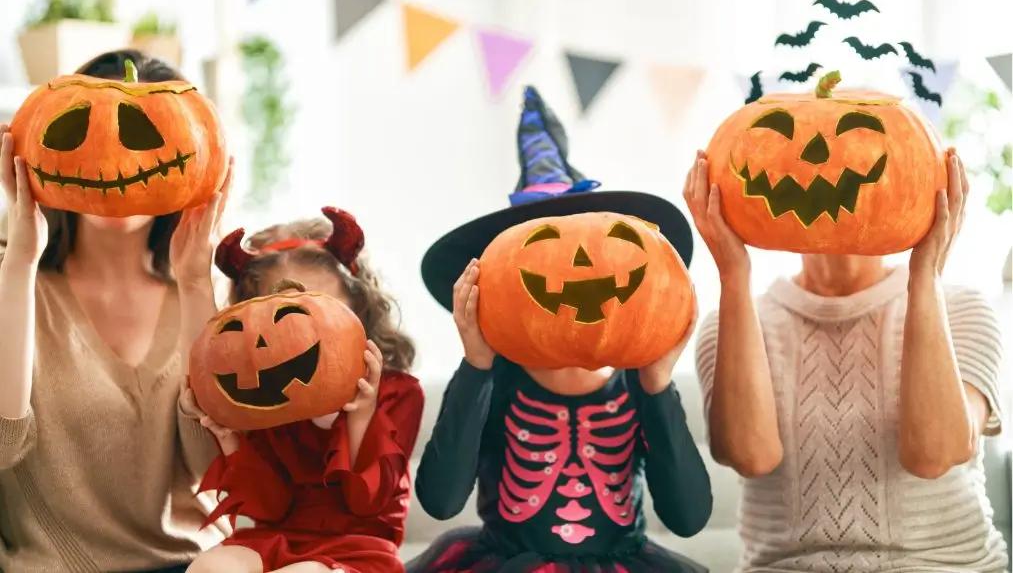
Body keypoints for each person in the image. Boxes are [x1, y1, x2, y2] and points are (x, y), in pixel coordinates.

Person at [407, 87, 712, 573]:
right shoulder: (495, 380)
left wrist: (657, 385)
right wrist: (477, 365)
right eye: (541, 245)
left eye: (607, 244)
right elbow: (441, 500)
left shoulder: (638, 383)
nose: (577, 266)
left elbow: (689, 517)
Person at [686, 148, 1008, 572]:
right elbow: (751, 456)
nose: (822, 164)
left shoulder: (962, 309)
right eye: (802, 155)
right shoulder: (730, 321)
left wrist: (925, 277)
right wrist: (732, 274)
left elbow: (933, 454)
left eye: (848, 158)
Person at [0, 49, 231, 573]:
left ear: (194, 154)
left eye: (145, 137)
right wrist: (18, 264)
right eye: (84, 132)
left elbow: (215, 469)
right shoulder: (15, 282)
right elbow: (2, 443)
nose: (115, 161)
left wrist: (196, 282)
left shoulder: (207, 294)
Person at [185, 208, 424, 573]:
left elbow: (368, 504)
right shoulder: (270, 399)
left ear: (357, 305)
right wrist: (230, 436)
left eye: (319, 309)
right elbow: (270, 507)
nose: (305, 334)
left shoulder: (398, 392)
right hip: (277, 538)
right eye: (283, 319)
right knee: (211, 567)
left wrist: (360, 415)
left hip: (358, 549)